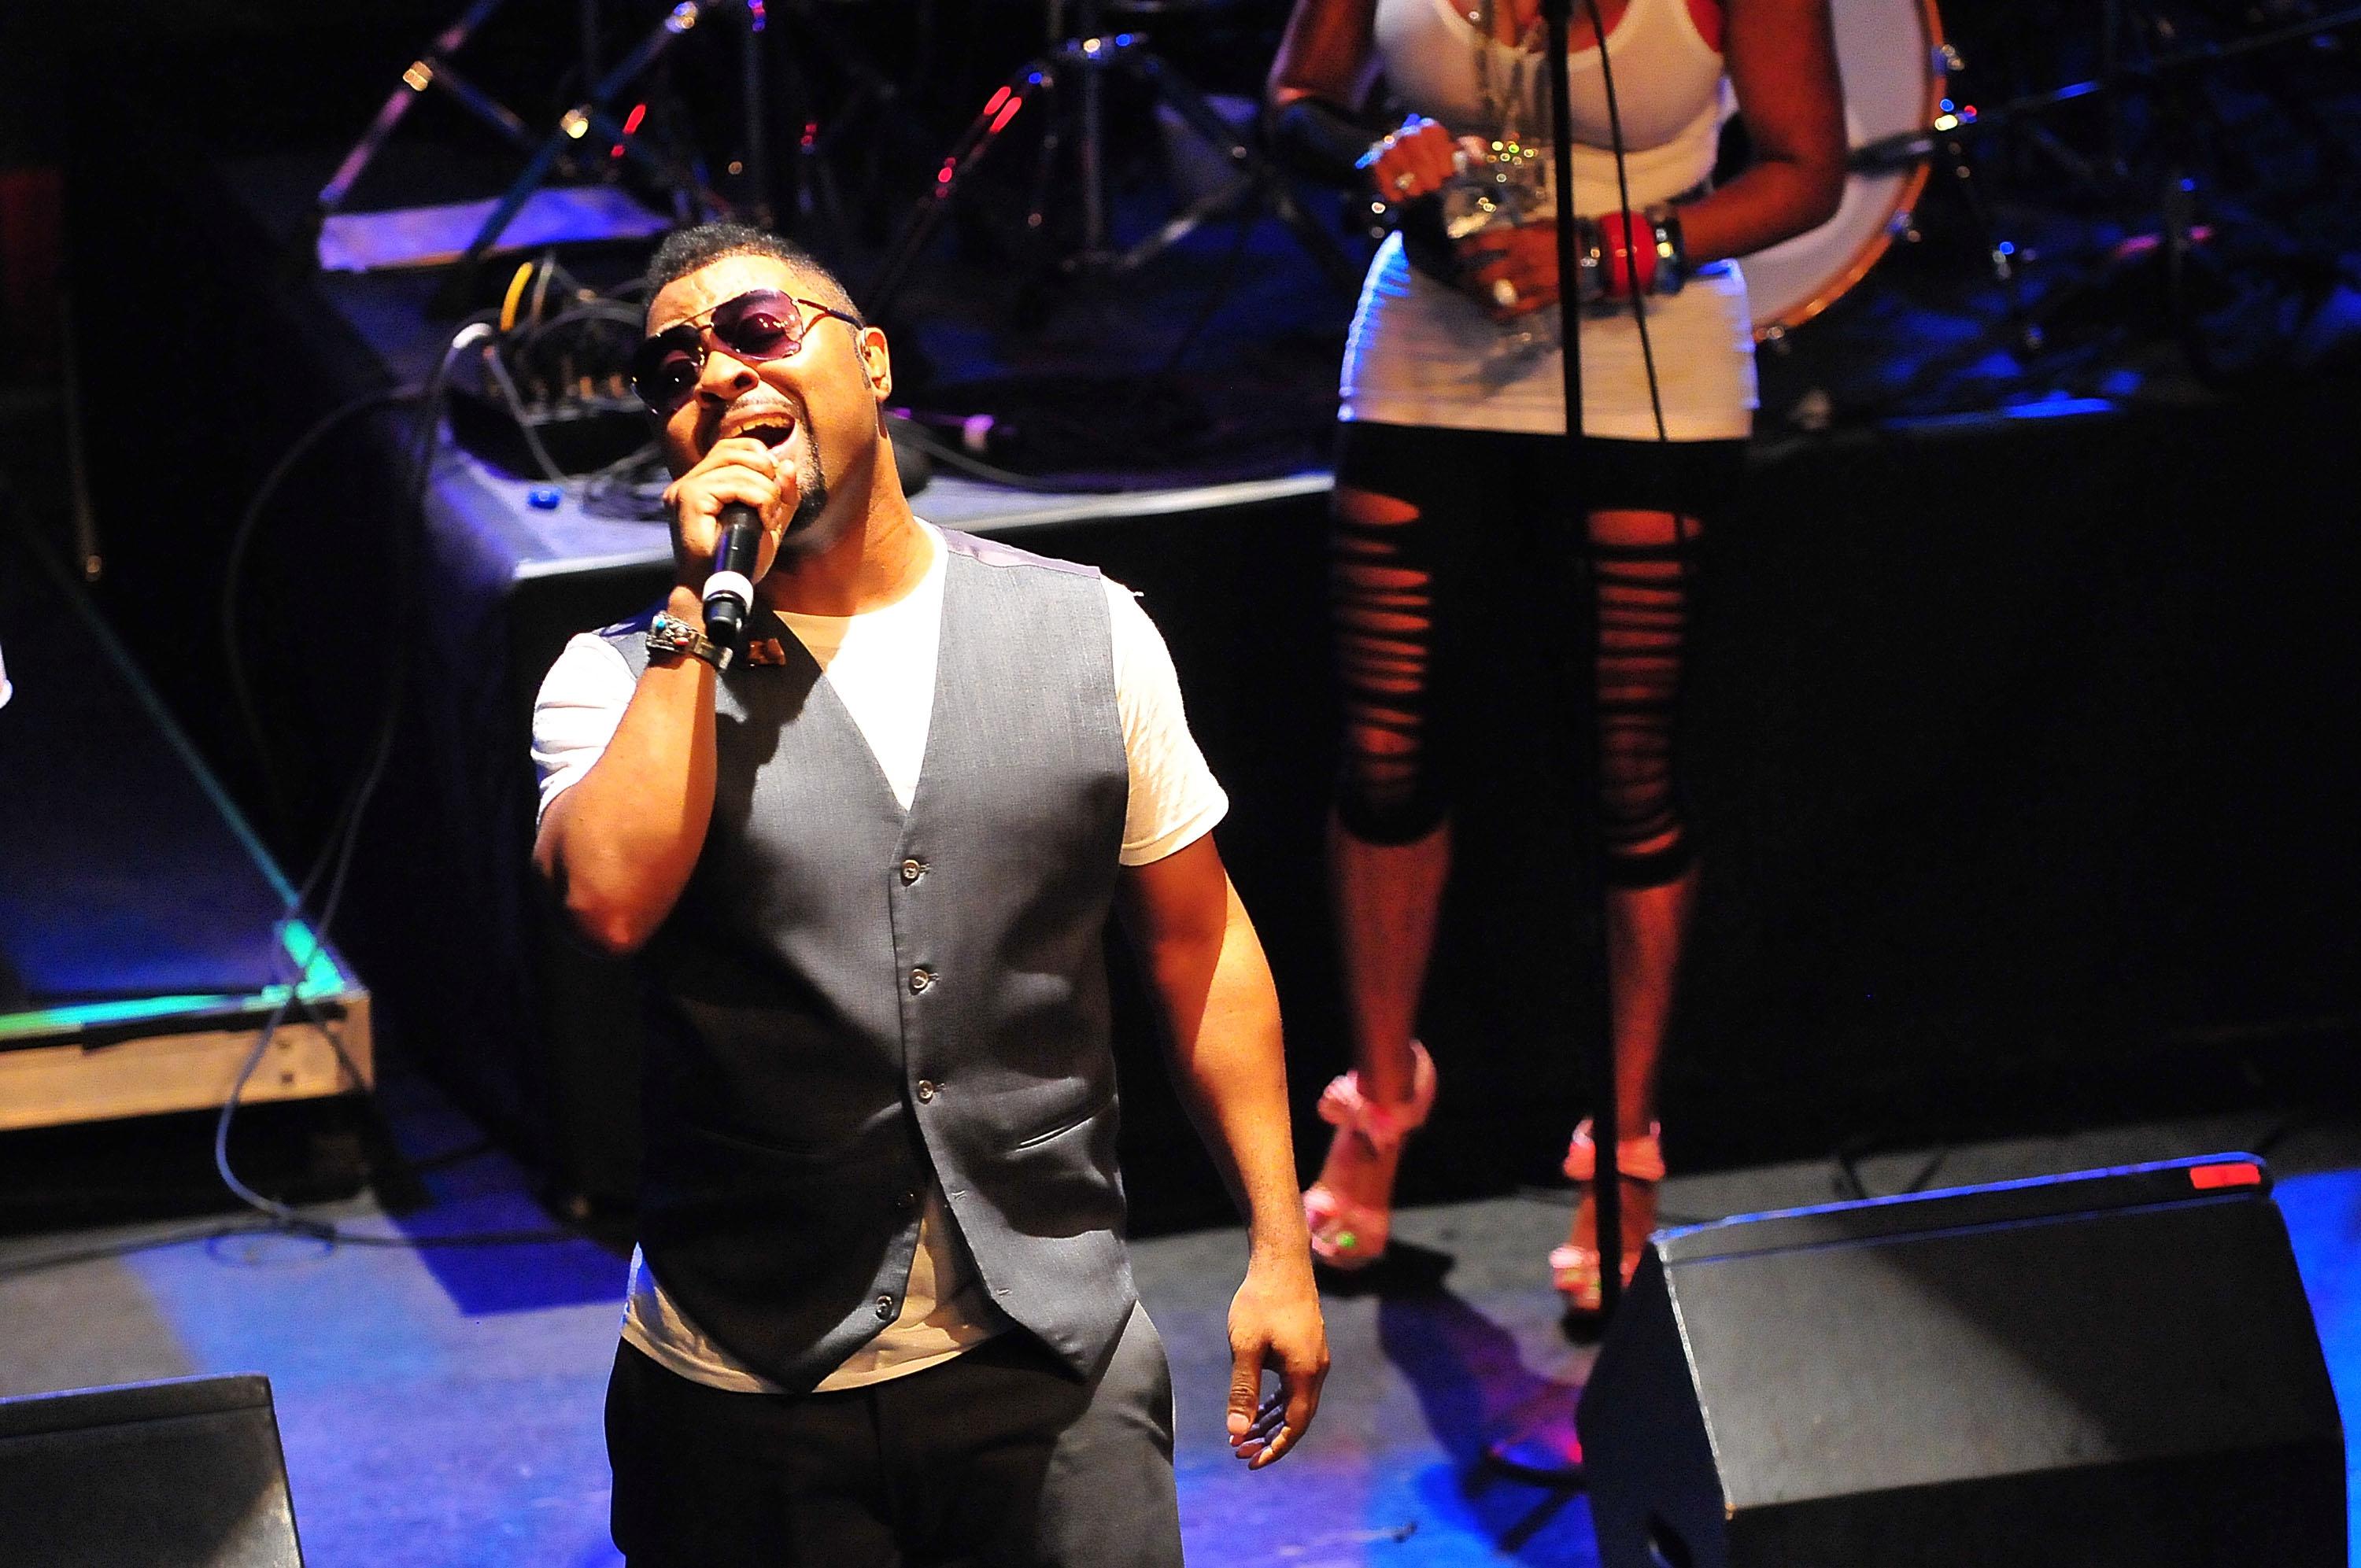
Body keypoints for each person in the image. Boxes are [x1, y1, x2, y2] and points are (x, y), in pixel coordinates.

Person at [530, 222, 1327, 1566]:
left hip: (1051, 1360)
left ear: (875, 362)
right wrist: (693, 610)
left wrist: (1280, 1242)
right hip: (744, 1388)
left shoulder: (1090, 629)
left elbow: (1200, 944)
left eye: (760, 329)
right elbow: (605, 903)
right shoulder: (617, 680)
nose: (717, 373)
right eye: (675, 369)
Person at [1265, 0, 1846, 1317]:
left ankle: (1624, 1142)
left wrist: (1605, 249)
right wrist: (1372, 157)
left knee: (1628, 766)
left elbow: (1807, 167)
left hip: (1652, 342)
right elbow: (1296, 98)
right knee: (1386, 747)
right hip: (1429, 331)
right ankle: (1377, 1100)